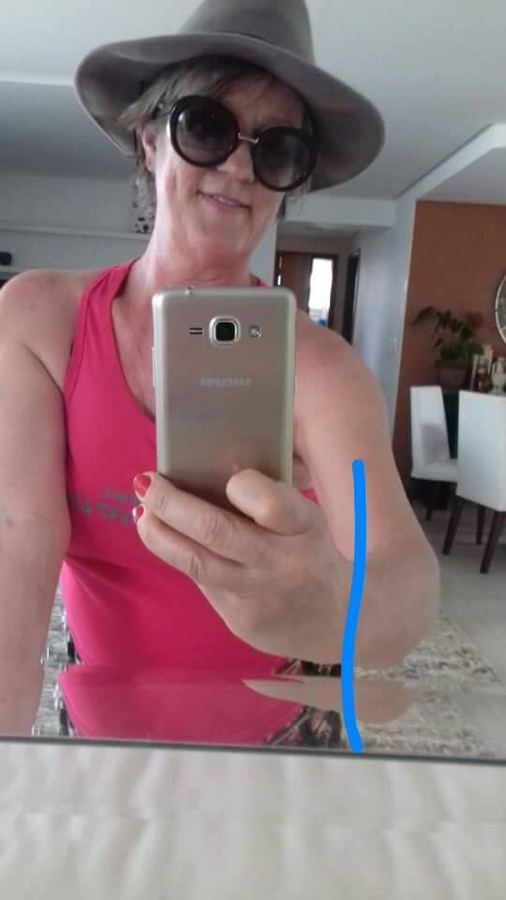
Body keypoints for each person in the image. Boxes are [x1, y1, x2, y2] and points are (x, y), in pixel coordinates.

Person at [0, 0, 439, 735]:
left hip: (277, 737)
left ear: (290, 182)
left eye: (277, 150)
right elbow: (16, 541)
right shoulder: (41, 321)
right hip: (100, 733)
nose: (238, 166)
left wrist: (333, 606)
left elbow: (404, 574)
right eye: (205, 127)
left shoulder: (320, 369)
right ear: (149, 141)